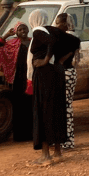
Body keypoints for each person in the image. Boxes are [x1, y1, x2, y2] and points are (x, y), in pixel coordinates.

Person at [27, 10, 66, 165]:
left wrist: (44, 61)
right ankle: (57, 151)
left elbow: (51, 43)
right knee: (55, 109)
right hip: (54, 73)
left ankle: (45, 155)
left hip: (43, 75)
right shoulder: (50, 30)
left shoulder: (38, 32)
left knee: (43, 111)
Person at [0, 22, 33, 141]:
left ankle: (32, 134)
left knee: (31, 105)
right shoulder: (12, 43)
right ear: (16, 32)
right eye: (20, 30)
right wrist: (6, 35)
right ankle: (20, 136)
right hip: (18, 79)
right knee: (19, 106)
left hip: (31, 77)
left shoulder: (32, 41)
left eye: (24, 28)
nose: (23, 31)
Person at [52, 14, 81, 150]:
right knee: (68, 106)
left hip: (59, 74)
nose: (56, 25)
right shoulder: (75, 40)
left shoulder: (54, 38)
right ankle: (68, 141)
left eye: (58, 23)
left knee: (58, 108)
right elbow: (77, 60)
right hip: (71, 73)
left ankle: (59, 141)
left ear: (64, 24)